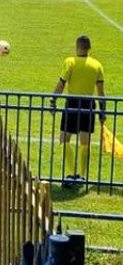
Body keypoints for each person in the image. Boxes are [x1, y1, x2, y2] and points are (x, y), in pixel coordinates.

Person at [50, 35, 106, 188]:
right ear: (89, 48)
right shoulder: (97, 65)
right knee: (85, 141)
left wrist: (53, 100)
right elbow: (101, 91)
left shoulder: (70, 62)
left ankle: (70, 173)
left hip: (72, 103)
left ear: (77, 47)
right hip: (88, 104)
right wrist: (102, 110)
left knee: (64, 139)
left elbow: (61, 84)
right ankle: (82, 176)